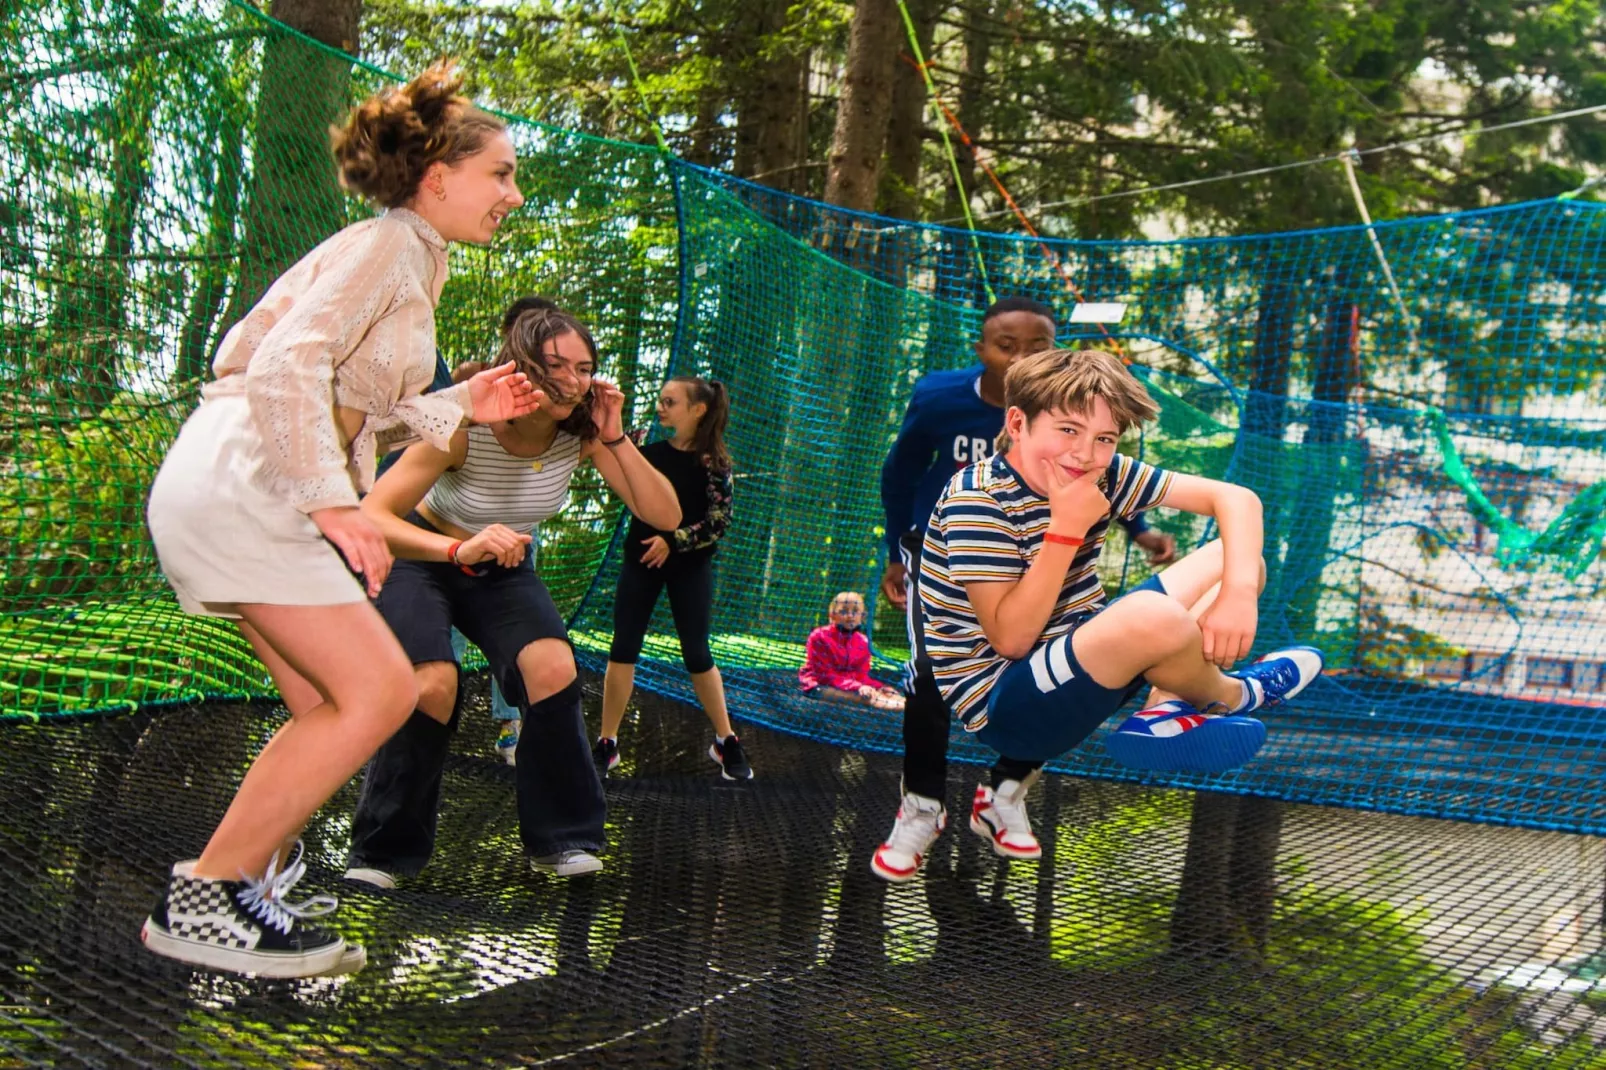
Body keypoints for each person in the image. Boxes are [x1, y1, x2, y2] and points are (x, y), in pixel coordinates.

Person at [140, 62, 539, 977]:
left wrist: (460, 402)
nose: (513, 194)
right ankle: (208, 892)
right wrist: (335, 505)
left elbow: (357, 407)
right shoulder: (390, 245)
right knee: (383, 691)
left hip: (252, 474)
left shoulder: (413, 259)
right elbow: (285, 370)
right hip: (252, 479)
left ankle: (245, 880)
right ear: (439, 177)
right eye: (502, 174)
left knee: (327, 701)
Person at [871, 348, 1324, 882]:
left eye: (1105, 439)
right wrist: (1065, 529)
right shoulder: (978, 502)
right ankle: (1234, 693)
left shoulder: (1100, 471)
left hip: (1079, 657)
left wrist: (1240, 593)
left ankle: (1165, 705)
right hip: (1008, 706)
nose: (1085, 454)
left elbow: (1237, 499)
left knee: (1235, 558)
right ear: (1018, 423)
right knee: (1155, 618)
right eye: (1067, 430)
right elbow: (1012, 638)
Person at [343, 305, 681, 884]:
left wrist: (616, 436)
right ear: (518, 366)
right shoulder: (462, 429)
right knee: (433, 683)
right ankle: (384, 852)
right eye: (554, 364)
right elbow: (372, 517)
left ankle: (563, 840)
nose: (571, 379)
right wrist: (456, 550)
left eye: (583, 367)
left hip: (502, 566)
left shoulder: (581, 439)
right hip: (423, 556)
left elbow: (663, 514)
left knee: (552, 666)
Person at [874, 297, 1175, 876]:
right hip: (948, 561)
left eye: (1036, 346)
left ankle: (1005, 792)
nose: (1019, 358)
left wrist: (1139, 529)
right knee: (928, 674)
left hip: (1042, 562)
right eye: (1005, 346)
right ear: (981, 350)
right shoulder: (939, 398)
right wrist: (897, 550)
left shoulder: (1067, 406)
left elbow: (1100, 474)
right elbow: (900, 472)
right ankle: (922, 806)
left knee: (1066, 668)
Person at [594, 376, 749, 779]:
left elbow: (718, 524)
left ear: (698, 410)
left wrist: (672, 541)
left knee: (696, 653)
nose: (661, 407)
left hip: (690, 567)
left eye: (670, 401)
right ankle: (607, 742)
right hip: (641, 560)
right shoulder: (644, 447)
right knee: (623, 645)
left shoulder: (717, 465)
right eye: (660, 400)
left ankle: (726, 740)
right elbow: (610, 461)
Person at [798, 592, 905, 711]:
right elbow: (824, 676)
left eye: (855, 611)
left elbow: (861, 675)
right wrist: (858, 687)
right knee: (867, 697)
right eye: (843, 612)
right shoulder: (819, 636)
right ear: (832, 615)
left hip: (851, 686)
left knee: (886, 693)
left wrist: (879, 686)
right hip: (820, 686)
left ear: (862, 616)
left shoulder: (863, 642)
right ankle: (902, 707)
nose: (850, 616)